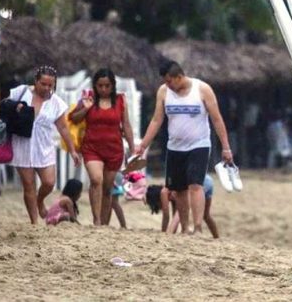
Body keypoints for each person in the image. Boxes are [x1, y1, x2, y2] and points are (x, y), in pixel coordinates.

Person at [135, 60, 232, 234]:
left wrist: (226, 147)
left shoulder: (202, 90)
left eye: (169, 81)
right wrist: (143, 144)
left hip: (199, 144)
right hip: (175, 146)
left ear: (179, 77)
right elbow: (157, 120)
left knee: (195, 184)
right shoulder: (164, 92)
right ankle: (185, 228)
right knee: (178, 189)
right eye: (165, 82)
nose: (167, 85)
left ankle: (198, 227)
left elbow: (217, 119)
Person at [9, 65, 80, 224]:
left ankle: (39, 200)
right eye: (43, 84)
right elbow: (4, 110)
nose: (47, 88)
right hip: (22, 143)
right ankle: (34, 221)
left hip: (44, 146)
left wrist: (72, 150)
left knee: (48, 182)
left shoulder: (57, 103)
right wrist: (15, 108)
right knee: (29, 185)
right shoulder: (20, 92)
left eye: (50, 85)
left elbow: (63, 127)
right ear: (36, 81)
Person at [70, 68, 134, 226]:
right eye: (100, 86)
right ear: (95, 86)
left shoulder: (120, 100)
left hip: (114, 150)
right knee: (96, 180)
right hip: (92, 148)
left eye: (107, 86)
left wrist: (133, 148)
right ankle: (96, 220)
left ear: (113, 85)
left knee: (107, 189)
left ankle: (104, 224)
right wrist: (86, 108)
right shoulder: (88, 98)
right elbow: (74, 118)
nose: (104, 89)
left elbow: (126, 124)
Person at [145, 174, 219, 238]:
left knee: (181, 210)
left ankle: (173, 232)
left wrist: (165, 233)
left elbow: (166, 216)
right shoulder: (172, 192)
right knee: (206, 215)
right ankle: (217, 237)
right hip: (207, 180)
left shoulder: (164, 192)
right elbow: (176, 215)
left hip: (200, 182)